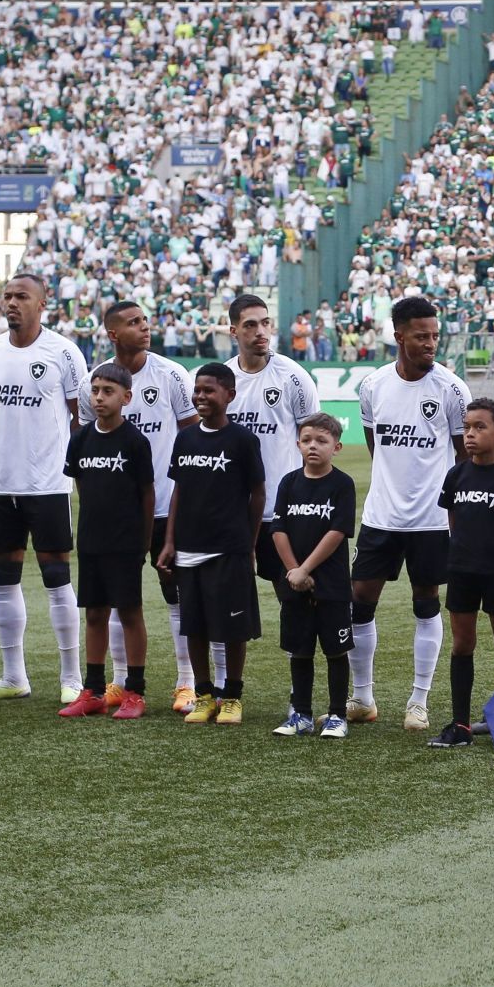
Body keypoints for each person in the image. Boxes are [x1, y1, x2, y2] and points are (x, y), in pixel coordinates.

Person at [348, 295, 470, 731]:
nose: (431, 343)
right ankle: (362, 697)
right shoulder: (374, 385)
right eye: (421, 336)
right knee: (360, 600)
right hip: (381, 518)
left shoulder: (452, 389)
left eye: (435, 336)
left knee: (426, 602)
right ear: (399, 336)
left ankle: (418, 701)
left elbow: (464, 456)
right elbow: (374, 443)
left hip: (431, 521)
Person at [0, 274, 87, 705]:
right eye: (8, 296)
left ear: (43, 304)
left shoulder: (64, 352)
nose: (12, 303)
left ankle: (71, 677)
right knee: (3, 577)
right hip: (0, 482)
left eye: (22, 296)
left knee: (57, 575)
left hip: (49, 482)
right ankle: (13, 676)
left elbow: (80, 416)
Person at [80, 300, 200, 713]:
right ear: (113, 334)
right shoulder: (95, 380)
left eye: (145, 320)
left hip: (168, 505)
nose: (145, 327)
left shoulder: (170, 374)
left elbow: (191, 437)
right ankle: (115, 683)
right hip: (117, 517)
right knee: (115, 597)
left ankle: (187, 682)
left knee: (176, 594)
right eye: (134, 323)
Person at [222, 293, 320, 701]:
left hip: (283, 515)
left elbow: (314, 439)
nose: (260, 331)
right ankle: (228, 693)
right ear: (233, 331)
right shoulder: (223, 381)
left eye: (265, 323)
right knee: (227, 603)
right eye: (250, 325)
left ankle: (302, 698)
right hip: (233, 515)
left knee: (295, 599)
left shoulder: (293, 377)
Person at [157, 362, 266, 727]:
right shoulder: (185, 438)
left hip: (228, 549)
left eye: (209, 390)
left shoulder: (243, 440)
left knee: (233, 628)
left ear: (229, 395)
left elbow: (258, 494)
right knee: (195, 626)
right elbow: (178, 491)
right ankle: (204, 696)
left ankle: (232, 696)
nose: (201, 397)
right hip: (188, 547)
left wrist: (248, 543)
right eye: (197, 390)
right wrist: (170, 540)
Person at [59, 363, 158, 720]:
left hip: (126, 541)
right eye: (96, 390)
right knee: (95, 613)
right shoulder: (81, 439)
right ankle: (94, 691)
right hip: (91, 540)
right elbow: (82, 487)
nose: (99, 397)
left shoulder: (135, 441)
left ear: (126, 397)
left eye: (108, 391)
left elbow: (147, 494)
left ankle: (135, 691)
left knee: (130, 613)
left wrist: (144, 540)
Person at [431, 398, 494, 749]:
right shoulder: (457, 474)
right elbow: (454, 522)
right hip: (461, 571)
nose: (470, 434)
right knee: (462, 645)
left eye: (479, 427)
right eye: (468, 427)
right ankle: (460, 725)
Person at [269, 413, 357, 739]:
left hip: (331, 585)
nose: (313, 447)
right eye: (307, 441)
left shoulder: (342, 484)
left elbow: (337, 532)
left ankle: (337, 715)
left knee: (335, 651)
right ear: (298, 445)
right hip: (293, 584)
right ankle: (301, 714)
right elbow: (278, 530)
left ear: (337, 446)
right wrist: (294, 571)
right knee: (300, 650)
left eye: (321, 441)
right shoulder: (289, 483)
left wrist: (307, 569)